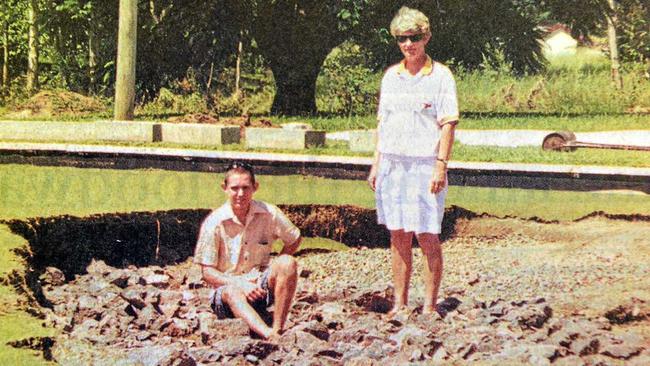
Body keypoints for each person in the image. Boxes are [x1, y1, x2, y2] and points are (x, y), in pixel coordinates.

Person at [367, 6, 459, 316]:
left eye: (415, 38)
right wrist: (376, 164)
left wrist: (440, 164)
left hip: (424, 165)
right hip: (393, 164)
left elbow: (448, 123)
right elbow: (384, 123)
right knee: (398, 233)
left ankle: (430, 305)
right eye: (403, 39)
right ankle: (400, 304)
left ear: (427, 37)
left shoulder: (441, 76)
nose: (409, 44)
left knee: (427, 233)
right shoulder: (391, 77)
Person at [194, 161, 302, 340]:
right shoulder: (214, 222)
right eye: (235, 188)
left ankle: (278, 328)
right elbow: (207, 272)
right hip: (228, 293)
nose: (240, 194)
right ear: (225, 188)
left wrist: (277, 271)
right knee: (232, 291)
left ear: (255, 187)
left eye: (246, 187)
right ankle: (269, 335)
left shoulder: (269, 213)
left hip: (259, 287)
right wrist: (239, 283)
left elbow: (295, 238)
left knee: (287, 263)